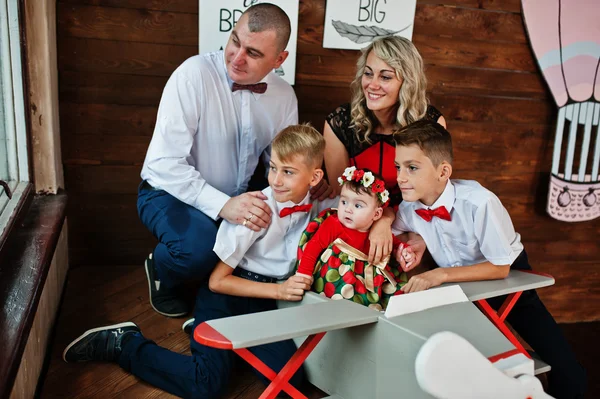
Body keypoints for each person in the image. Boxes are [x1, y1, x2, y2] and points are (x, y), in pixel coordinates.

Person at [63, 124, 338, 399]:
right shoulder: (255, 211)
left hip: (266, 306)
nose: (276, 180)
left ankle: (213, 338)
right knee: (206, 385)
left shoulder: (320, 204)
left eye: (288, 172)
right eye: (273, 167)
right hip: (229, 297)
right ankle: (124, 343)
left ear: (314, 178)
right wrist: (279, 290)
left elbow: (356, 205)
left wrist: (381, 219)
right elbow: (218, 282)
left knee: (292, 386)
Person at [392, 120, 586, 399]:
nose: (401, 177)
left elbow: (500, 267)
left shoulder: (480, 203)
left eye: (412, 167)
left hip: (509, 283)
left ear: (443, 171)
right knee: (451, 361)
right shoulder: (410, 206)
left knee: (565, 366)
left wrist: (439, 275)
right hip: (459, 292)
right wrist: (405, 241)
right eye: (398, 166)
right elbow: (392, 228)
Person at [137, 3, 298, 317]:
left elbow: (280, 161)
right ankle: (161, 272)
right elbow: (163, 164)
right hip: (168, 191)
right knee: (197, 249)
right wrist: (224, 206)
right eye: (235, 41)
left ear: (279, 60)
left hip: (236, 195)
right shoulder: (192, 75)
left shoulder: (284, 97)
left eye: (253, 53)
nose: (237, 58)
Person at [312, 36, 445, 268]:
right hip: (356, 222)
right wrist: (376, 223)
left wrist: (386, 219)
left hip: (411, 225)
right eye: (368, 73)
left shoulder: (430, 123)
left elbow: (428, 194)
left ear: (407, 82)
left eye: (385, 77)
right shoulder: (340, 122)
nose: (372, 85)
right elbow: (345, 195)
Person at [295, 167, 414, 310]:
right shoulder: (334, 224)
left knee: (400, 296)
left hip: (368, 282)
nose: (348, 209)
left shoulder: (377, 232)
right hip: (338, 278)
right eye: (344, 202)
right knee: (344, 295)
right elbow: (313, 247)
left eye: (358, 205)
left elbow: (393, 244)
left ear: (376, 214)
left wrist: (404, 251)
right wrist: (303, 275)